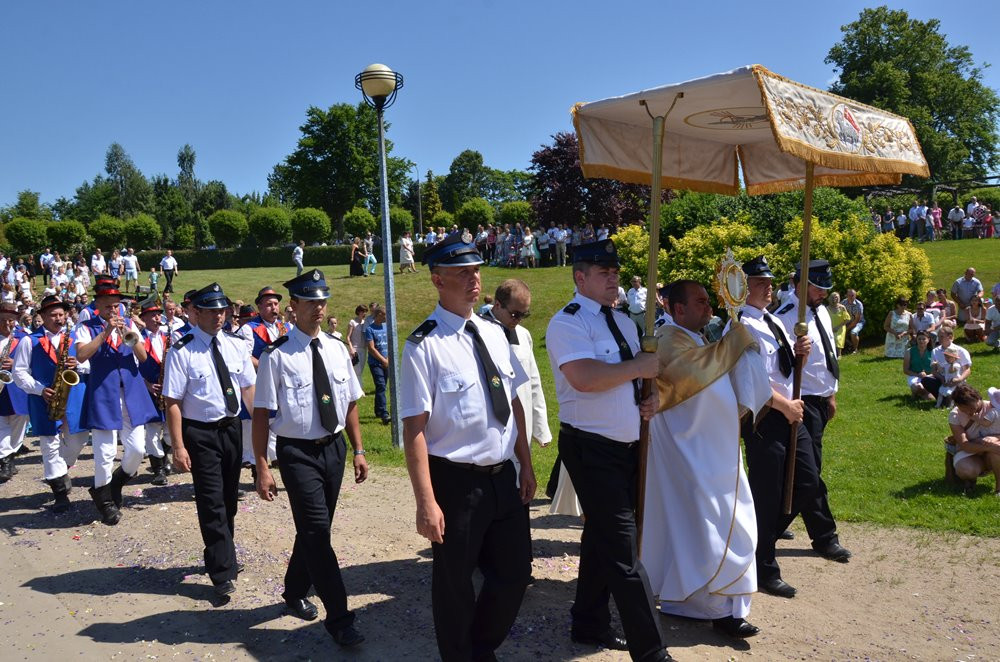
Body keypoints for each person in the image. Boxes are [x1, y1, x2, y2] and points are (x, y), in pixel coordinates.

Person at [400, 232, 536, 662]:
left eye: (476, 270)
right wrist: (426, 502)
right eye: (462, 273)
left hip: (504, 475)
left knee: (515, 574)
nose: (474, 279)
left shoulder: (495, 334)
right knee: (455, 584)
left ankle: (480, 646)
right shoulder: (424, 346)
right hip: (456, 483)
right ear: (438, 280)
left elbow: (513, 400)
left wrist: (526, 462)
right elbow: (414, 430)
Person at [545, 239, 669, 661]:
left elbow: (631, 381)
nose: (613, 277)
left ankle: (588, 622)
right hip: (590, 447)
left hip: (627, 445)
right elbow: (583, 377)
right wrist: (638, 368)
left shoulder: (625, 322)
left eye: (615, 271)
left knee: (602, 538)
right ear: (580, 278)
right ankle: (650, 651)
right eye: (603, 272)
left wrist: (647, 397)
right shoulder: (568, 323)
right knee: (623, 551)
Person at [644, 279, 768, 638]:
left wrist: (738, 355)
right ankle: (717, 607)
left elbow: (713, 371)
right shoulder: (668, 339)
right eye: (700, 302)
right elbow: (690, 374)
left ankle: (701, 602)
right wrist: (733, 343)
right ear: (677, 308)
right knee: (707, 528)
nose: (709, 308)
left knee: (709, 526)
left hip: (715, 450)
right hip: (690, 453)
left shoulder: (701, 340)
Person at [253, 268, 369, 647]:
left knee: (315, 530)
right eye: (311, 301)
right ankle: (340, 618)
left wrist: (359, 450)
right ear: (294, 306)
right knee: (318, 533)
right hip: (297, 452)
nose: (319, 308)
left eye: (323, 301)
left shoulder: (338, 348)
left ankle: (294, 589)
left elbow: (349, 402)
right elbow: (261, 414)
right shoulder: (277, 356)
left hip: (333, 449)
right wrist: (262, 466)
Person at [730, 257, 820, 600]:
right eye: (759, 283)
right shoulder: (740, 328)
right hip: (766, 417)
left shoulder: (777, 321)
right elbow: (750, 380)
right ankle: (764, 566)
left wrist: (802, 354)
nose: (768, 288)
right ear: (742, 288)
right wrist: (785, 406)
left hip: (790, 413)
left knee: (807, 481)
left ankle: (758, 544)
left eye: (769, 282)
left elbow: (784, 369)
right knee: (768, 495)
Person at [162, 282, 256, 598]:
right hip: (199, 433)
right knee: (211, 500)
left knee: (229, 498)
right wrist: (177, 446)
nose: (219, 316)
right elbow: (172, 401)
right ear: (195, 313)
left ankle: (223, 553)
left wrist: (262, 423)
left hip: (230, 428)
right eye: (212, 311)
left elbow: (248, 389)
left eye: (223, 310)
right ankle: (221, 569)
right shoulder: (181, 350)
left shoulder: (235, 345)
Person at [776, 260, 853, 564]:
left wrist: (831, 394)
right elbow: (781, 369)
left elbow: (827, 355)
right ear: (798, 283)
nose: (822, 293)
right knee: (808, 473)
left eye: (825, 288)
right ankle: (823, 536)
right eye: (817, 287)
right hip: (799, 402)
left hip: (820, 401)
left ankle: (769, 525)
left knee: (803, 473)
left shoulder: (819, 311)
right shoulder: (785, 318)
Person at [74, 279, 157, 524]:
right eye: (108, 305)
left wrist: (127, 336)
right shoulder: (85, 326)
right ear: (97, 305)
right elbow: (81, 355)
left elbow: (142, 357)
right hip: (103, 393)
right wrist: (106, 332)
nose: (114, 310)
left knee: (137, 449)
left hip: (131, 392)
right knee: (105, 450)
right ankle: (104, 498)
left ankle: (116, 482)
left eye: (117, 305)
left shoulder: (130, 324)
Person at [11, 295, 89, 513]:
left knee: (79, 438)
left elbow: (89, 366)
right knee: (49, 443)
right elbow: (19, 373)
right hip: (43, 397)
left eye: (61, 315)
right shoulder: (29, 340)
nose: (58, 319)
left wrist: (79, 364)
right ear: (43, 317)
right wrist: (38, 389)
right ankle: (59, 492)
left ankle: (61, 469)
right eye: (53, 315)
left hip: (72, 396)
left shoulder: (73, 338)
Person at [237, 287, 287, 472]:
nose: (273, 308)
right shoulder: (249, 329)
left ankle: (277, 458)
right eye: (268, 305)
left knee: (278, 421)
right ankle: (257, 466)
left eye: (276, 304)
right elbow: (244, 356)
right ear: (259, 306)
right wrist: (267, 367)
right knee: (256, 423)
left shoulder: (285, 327)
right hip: (258, 382)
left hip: (281, 383)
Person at [137, 300, 172, 484]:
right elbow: (133, 368)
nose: (157, 318)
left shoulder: (168, 337)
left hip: (168, 389)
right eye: (153, 315)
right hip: (149, 390)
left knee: (171, 431)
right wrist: (147, 385)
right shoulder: (139, 338)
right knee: (152, 430)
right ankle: (158, 469)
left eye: (159, 314)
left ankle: (164, 457)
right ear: (143, 318)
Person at [948, 384, 1000, 495]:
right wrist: (988, 446)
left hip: (994, 453)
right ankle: (970, 478)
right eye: (964, 410)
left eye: (971, 408)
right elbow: (964, 445)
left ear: (978, 398)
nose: (968, 412)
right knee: (965, 469)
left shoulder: (995, 408)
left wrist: (995, 438)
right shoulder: (955, 415)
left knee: (996, 452)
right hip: (970, 452)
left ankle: (999, 487)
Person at [0, 303, 30, 482]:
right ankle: (5, 460)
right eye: (2, 320)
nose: (6, 324)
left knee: (20, 422)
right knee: (2, 425)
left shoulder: (24, 337)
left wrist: (16, 363)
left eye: (10, 320)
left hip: (18, 388)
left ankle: (9, 457)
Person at [364, 307, 390, 425]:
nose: (386, 317)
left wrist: (388, 359)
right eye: (384, 314)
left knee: (382, 387)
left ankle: (378, 410)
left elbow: (391, 343)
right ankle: (384, 413)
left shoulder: (386, 327)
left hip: (387, 362)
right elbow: (371, 348)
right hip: (376, 363)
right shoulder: (370, 329)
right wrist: (382, 360)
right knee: (380, 385)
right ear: (378, 314)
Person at [903, 331, 936, 402]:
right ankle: (920, 393)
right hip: (914, 375)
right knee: (916, 387)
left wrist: (927, 376)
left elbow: (937, 370)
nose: (921, 341)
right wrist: (918, 375)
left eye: (924, 339)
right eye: (919, 339)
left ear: (928, 340)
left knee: (931, 396)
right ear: (916, 340)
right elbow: (905, 370)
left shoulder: (933, 352)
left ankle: (921, 394)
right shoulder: (909, 351)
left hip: (929, 376)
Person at [347, 305, 368, 380]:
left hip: (363, 349)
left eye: (365, 312)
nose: (364, 313)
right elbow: (348, 337)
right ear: (359, 312)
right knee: (356, 371)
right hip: (355, 349)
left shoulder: (365, 323)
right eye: (363, 311)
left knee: (361, 370)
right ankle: (358, 389)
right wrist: (351, 348)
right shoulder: (353, 322)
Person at [827, 291, 851, 356]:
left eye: (837, 297)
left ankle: (839, 355)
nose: (836, 299)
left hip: (840, 327)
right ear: (831, 298)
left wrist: (838, 327)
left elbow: (847, 319)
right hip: (830, 327)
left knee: (837, 339)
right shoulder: (827, 308)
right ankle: (831, 354)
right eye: (834, 297)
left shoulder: (842, 307)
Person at [843, 289, 864, 354]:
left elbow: (856, 320)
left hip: (859, 322)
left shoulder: (859, 304)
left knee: (853, 332)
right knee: (838, 331)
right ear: (846, 295)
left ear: (855, 296)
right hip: (847, 321)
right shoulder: (843, 302)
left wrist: (846, 329)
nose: (850, 297)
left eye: (852, 295)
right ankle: (849, 346)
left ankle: (855, 349)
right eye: (849, 295)